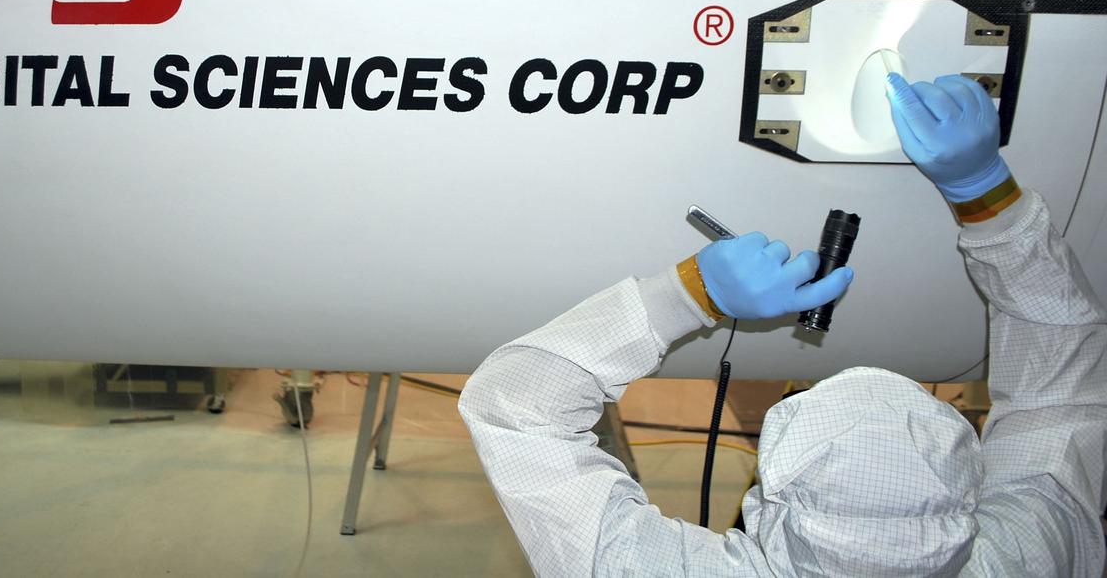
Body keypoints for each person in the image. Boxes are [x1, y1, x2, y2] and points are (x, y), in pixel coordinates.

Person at [459, 73, 1107, 577]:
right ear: (967, 490)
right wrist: (984, 190)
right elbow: (1061, 395)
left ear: (768, 499)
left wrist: (689, 295)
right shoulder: (1031, 554)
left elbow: (513, 405)